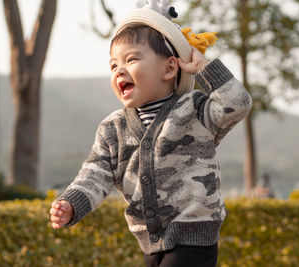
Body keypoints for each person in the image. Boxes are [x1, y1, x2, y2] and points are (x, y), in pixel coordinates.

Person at [49, 2, 252, 266]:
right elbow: (94, 176)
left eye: (131, 59)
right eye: (113, 65)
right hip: (150, 241)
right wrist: (72, 203)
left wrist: (203, 67)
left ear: (169, 68)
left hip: (195, 237)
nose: (119, 70)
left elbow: (238, 103)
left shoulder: (195, 110)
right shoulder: (113, 129)